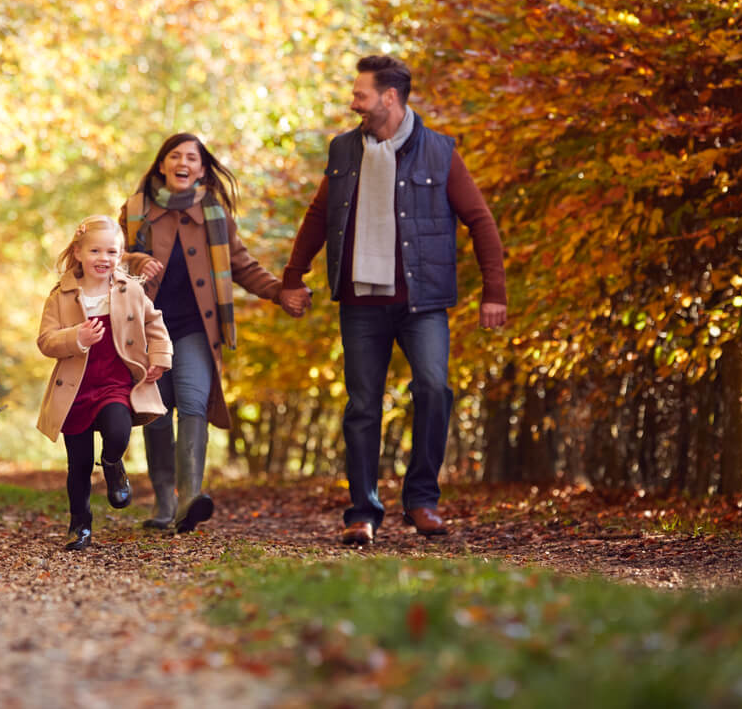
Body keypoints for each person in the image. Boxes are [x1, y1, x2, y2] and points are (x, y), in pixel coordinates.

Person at [279, 55, 507, 543]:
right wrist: (292, 277)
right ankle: (362, 512)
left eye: (361, 94)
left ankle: (422, 500)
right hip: (361, 303)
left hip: (422, 302)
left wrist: (495, 292)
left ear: (389, 97)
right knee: (363, 404)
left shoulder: (440, 152)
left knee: (433, 389)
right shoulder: (344, 151)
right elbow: (319, 215)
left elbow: (481, 221)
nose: (353, 102)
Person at [123, 133, 303, 533]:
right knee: (156, 411)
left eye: (192, 157)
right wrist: (136, 260)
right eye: (175, 155)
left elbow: (244, 266)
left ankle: (189, 499)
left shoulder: (215, 216)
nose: (183, 162)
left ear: (202, 169)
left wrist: (279, 292)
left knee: (192, 403)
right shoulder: (137, 209)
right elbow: (110, 259)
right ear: (162, 164)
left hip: (195, 329)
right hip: (149, 329)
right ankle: (165, 503)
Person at [36, 215, 173, 551]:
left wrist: (159, 357)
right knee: (79, 464)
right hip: (75, 389)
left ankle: (112, 463)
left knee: (118, 431)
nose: (104, 258)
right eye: (95, 250)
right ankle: (79, 525)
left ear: (121, 255)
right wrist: (76, 337)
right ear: (79, 252)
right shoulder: (61, 295)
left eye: (112, 252)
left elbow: (155, 325)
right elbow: (45, 341)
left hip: (114, 384)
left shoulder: (130, 291)